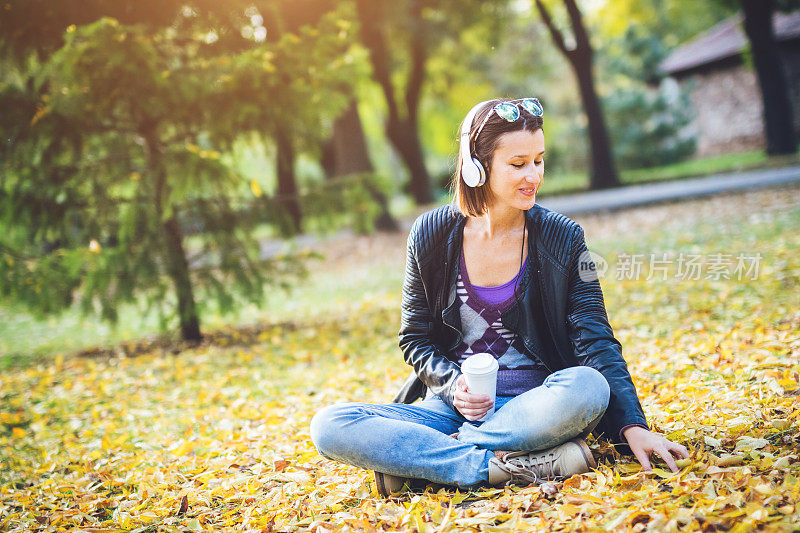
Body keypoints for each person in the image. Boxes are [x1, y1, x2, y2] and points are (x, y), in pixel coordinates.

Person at [310, 97, 689, 496]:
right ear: (477, 166)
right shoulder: (431, 234)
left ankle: (430, 462)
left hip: (538, 406)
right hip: (450, 407)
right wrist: (453, 386)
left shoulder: (563, 237)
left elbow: (596, 338)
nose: (534, 176)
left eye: (539, 160)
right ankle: (501, 464)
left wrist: (633, 426)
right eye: (518, 164)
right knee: (330, 425)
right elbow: (415, 338)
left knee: (590, 387)